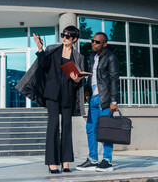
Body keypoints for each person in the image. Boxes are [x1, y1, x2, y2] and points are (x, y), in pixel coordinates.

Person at [16, 26, 85, 174]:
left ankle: (65, 162)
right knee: (53, 125)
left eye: (68, 36)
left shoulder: (79, 57)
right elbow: (43, 65)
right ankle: (52, 162)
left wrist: (76, 80)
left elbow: (78, 79)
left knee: (67, 127)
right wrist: (40, 49)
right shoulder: (53, 49)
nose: (64, 37)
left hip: (68, 94)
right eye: (63, 34)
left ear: (74, 39)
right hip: (52, 93)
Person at [76, 32, 119, 172]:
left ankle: (107, 160)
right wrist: (88, 89)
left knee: (106, 130)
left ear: (104, 44)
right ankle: (93, 159)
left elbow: (114, 80)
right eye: (92, 41)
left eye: (97, 42)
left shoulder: (111, 58)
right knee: (91, 128)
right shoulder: (92, 57)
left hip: (105, 99)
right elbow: (93, 77)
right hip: (93, 99)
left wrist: (114, 101)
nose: (93, 43)